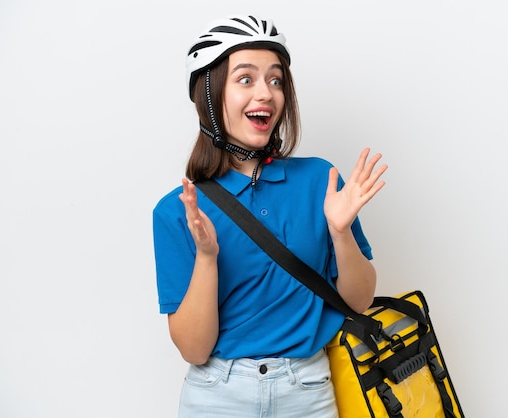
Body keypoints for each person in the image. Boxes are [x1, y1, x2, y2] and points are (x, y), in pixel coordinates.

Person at [153, 14, 388, 417]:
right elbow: (193, 348)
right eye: (246, 79)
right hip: (217, 396)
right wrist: (207, 256)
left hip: (308, 391)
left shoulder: (320, 180)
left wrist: (340, 231)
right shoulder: (176, 211)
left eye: (276, 80)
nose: (266, 93)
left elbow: (359, 300)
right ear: (210, 97)